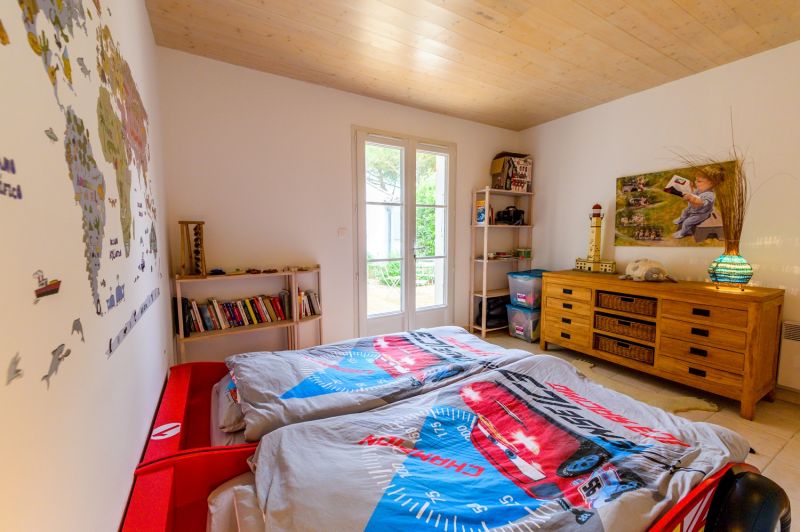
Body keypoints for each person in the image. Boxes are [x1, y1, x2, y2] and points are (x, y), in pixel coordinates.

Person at [672, 169, 722, 239]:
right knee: (684, 211)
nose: (695, 182)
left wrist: (691, 199)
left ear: (711, 183)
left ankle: (683, 232)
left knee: (687, 222)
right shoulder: (700, 189)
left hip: (701, 214)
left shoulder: (710, 195)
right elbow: (694, 193)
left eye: (699, 181)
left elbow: (701, 203)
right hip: (692, 209)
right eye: (696, 180)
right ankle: (681, 219)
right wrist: (691, 188)